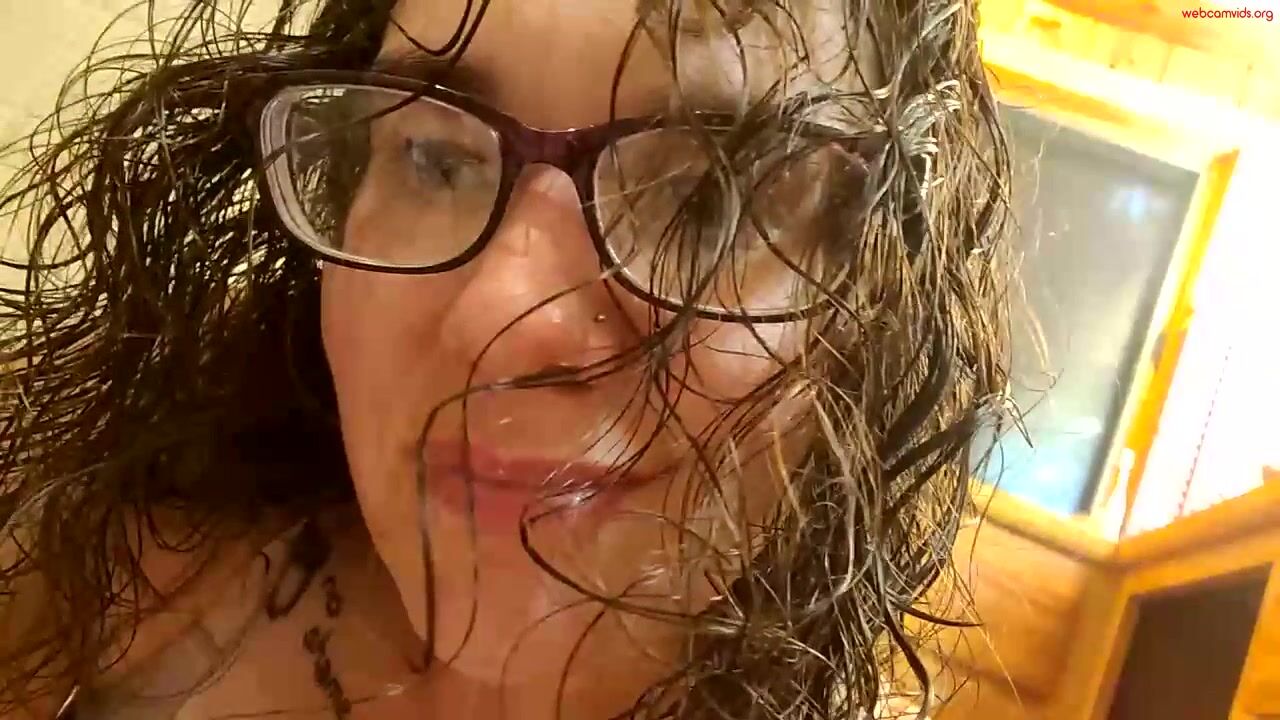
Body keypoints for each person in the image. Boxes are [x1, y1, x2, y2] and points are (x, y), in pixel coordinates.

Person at [0, 0, 1012, 717]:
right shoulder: (96, 562)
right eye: (435, 158)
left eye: (711, 197)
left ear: (878, 298)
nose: (502, 314)